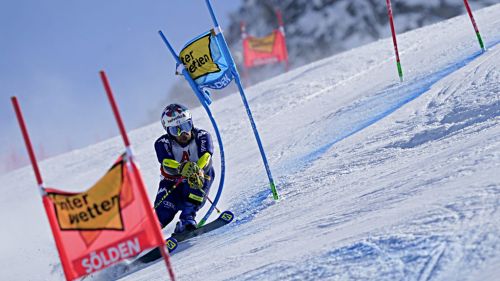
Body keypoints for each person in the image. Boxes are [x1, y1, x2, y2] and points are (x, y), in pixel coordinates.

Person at [153, 103, 215, 234]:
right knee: (163, 213)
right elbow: (166, 162)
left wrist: (197, 168)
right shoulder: (162, 143)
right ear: (168, 131)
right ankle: (147, 237)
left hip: (195, 180)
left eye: (186, 126)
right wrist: (181, 167)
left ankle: (187, 220)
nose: (183, 133)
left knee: (203, 175)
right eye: (176, 130)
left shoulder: (202, 136)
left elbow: (207, 156)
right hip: (172, 183)